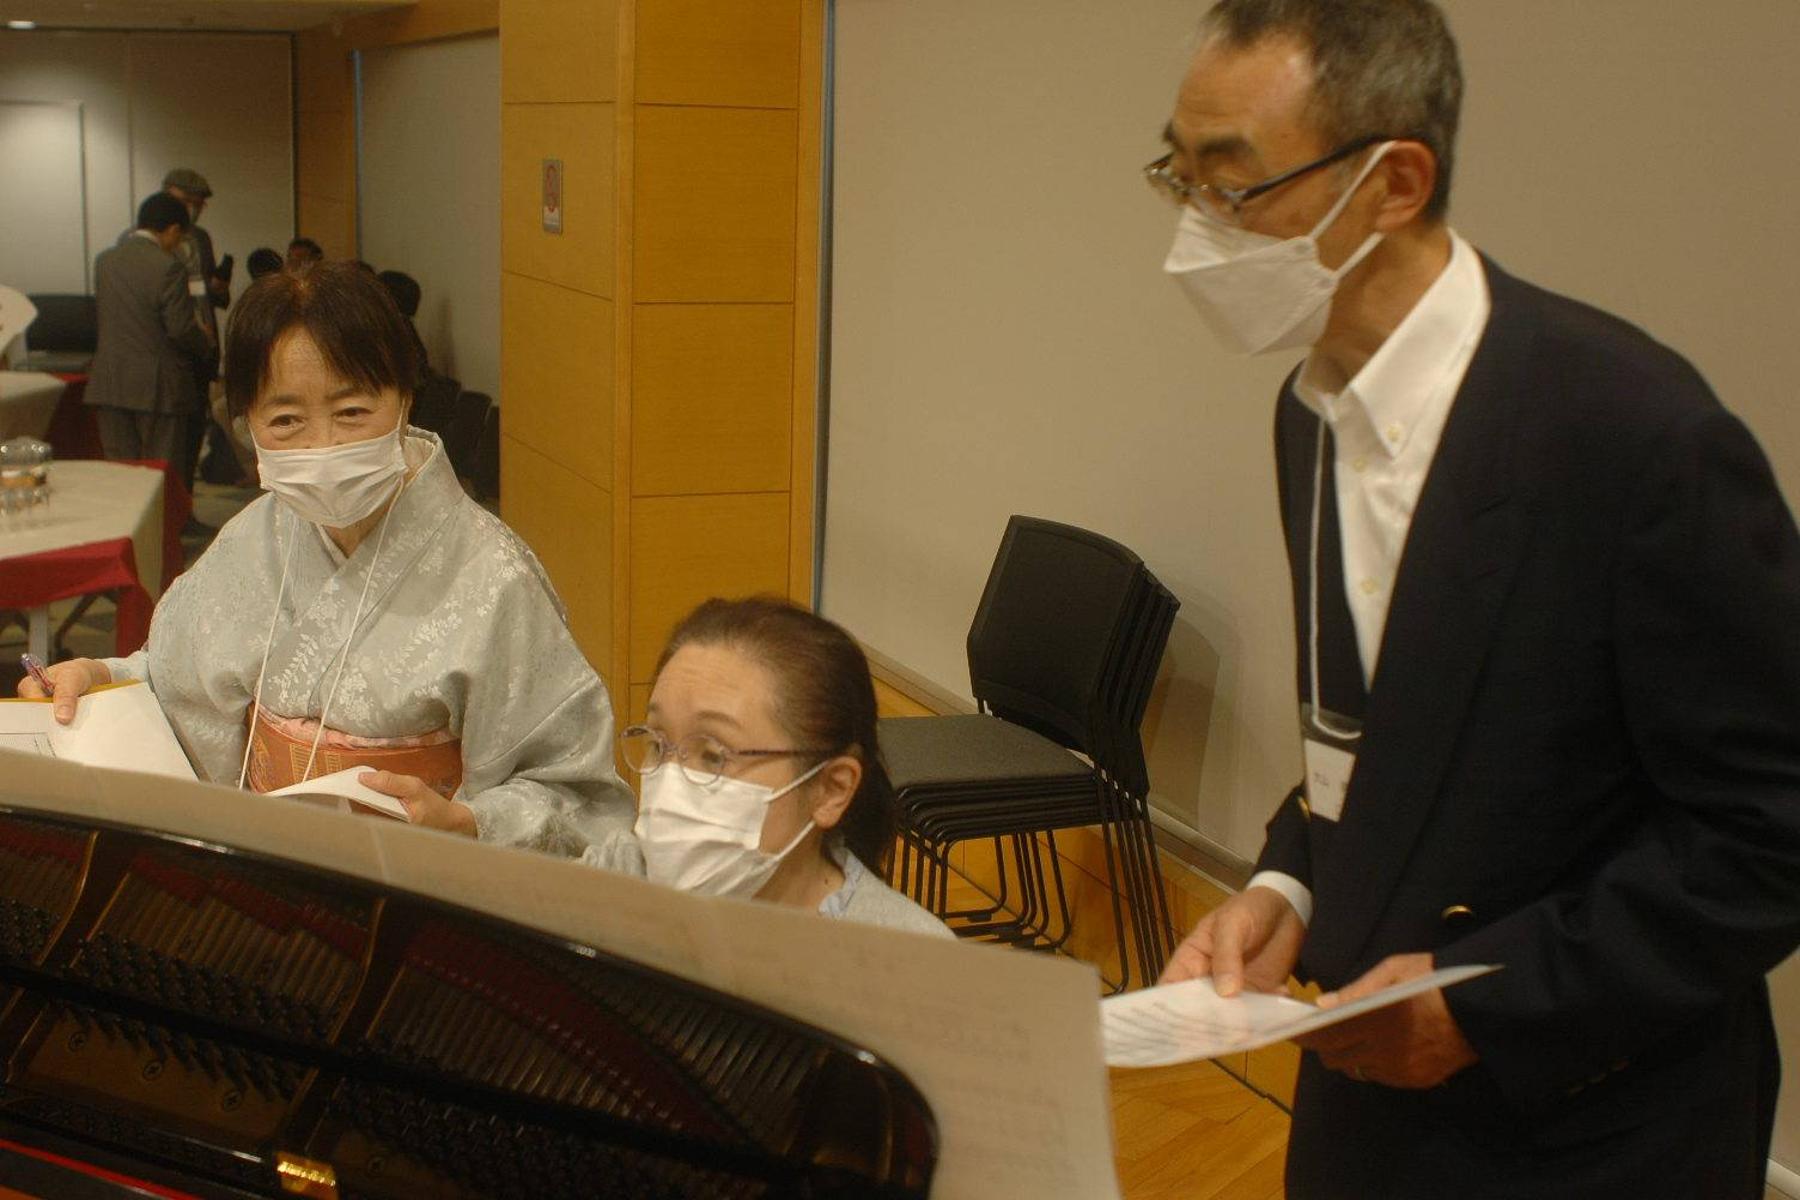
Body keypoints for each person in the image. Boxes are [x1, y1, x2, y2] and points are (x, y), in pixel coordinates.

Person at [1151, 2, 1800, 1197]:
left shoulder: (1637, 436)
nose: (1194, 232)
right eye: (1178, 178)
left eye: (1232, 186)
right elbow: (1380, 732)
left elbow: (1771, 827)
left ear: (1394, 183)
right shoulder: (1307, 413)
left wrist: (1492, 1006)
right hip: (1365, 1093)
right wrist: (1287, 883)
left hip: (1590, 1128)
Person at [24, 261, 635, 857]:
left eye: (352, 413)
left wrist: (470, 823)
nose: (323, 445)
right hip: (258, 870)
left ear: (404, 400)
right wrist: (101, 676)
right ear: (247, 423)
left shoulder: (494, 577)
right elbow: (174, 679)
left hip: (417, 881)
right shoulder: (252, 537)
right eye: (286, 420)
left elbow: (577, 796)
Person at [589, 596, 952, 938]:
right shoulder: (611, 884)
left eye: (713, 756)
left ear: (831, 789)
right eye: (657, 745)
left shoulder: (911, 959)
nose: (669, 783)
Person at [84, 193, 213, 461]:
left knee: (119, 469)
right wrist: (205, 341)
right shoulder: (169, 267)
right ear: (173, 230)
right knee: (160, 469)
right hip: (158, 388)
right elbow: (179, 329)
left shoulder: (104, 261)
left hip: (109, 382)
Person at [161, 168, 231, 494]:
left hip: (202, 350)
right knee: (167, 442)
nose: (192, 209)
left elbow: (209, 293)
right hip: (168, 352)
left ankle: (186, 505)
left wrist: (219, 288)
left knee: (193, 433)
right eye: (186, 201)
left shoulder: (200, 238)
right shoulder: (143, 240)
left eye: (198, 204)